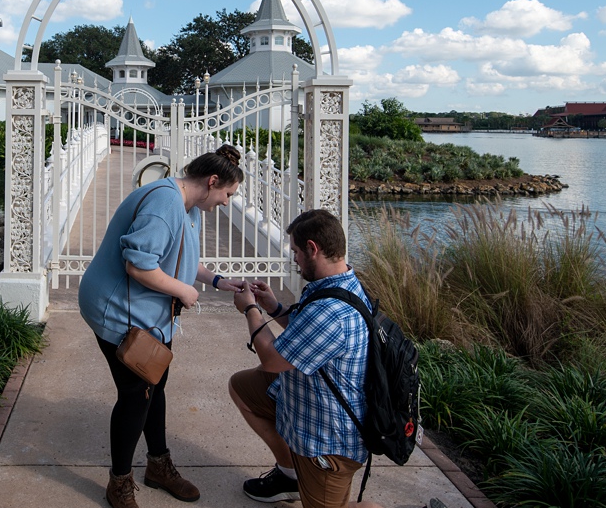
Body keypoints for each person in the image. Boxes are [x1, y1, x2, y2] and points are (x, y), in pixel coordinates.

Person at [78, 144, 247, 508]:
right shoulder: (165, 203)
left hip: (148, 311)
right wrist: (184, 291)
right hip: (115, 307)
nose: (226, 202)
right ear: (212, 180)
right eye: (227, 195)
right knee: (136, 393)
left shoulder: (189, 204)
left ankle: (158, 464)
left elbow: (182, 256)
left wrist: (218, 282)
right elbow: (137, 265)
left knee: (158, 380)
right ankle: (119, 483)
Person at [228, 209, 385, 508]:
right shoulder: (340, 283)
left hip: (328, 442)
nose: (295, 259)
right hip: (305, 405)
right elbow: (306, 328)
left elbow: (272, 360)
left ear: (313, 249)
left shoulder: (332, 313)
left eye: (297, 252)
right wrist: (273, 306)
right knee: (242, 388)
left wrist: (251, 310)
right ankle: (290, 476)